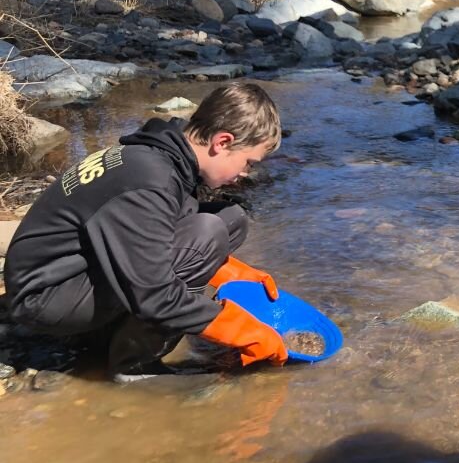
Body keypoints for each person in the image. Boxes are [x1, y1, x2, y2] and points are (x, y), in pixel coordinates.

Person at [3, 82, 289, 380]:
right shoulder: (150, 180)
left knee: (229, 218)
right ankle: (133, 364)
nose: (245, 174)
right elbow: (157, 295)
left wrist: (226, 270)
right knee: (209, 231)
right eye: (247, 162)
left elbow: (157, 230)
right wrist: (245, 331)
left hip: (71, 274)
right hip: (44, 297)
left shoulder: (161, 154)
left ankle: (113, 330)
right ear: (222, 142)